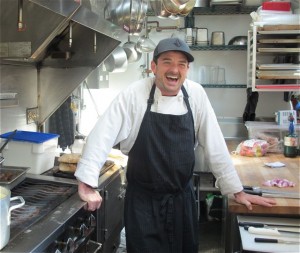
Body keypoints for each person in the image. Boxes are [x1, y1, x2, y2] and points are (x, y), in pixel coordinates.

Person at [75, 37, 276, 253]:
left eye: (182, 64)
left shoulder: (196, 94)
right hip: (143, 203)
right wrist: (87, 182)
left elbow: (215, 144)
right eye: (167, 62)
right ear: (154, 67)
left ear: (187, 69)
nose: (174, 69)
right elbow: (101, 135)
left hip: (183, 201)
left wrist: (236, 191)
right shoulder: (135, 94)